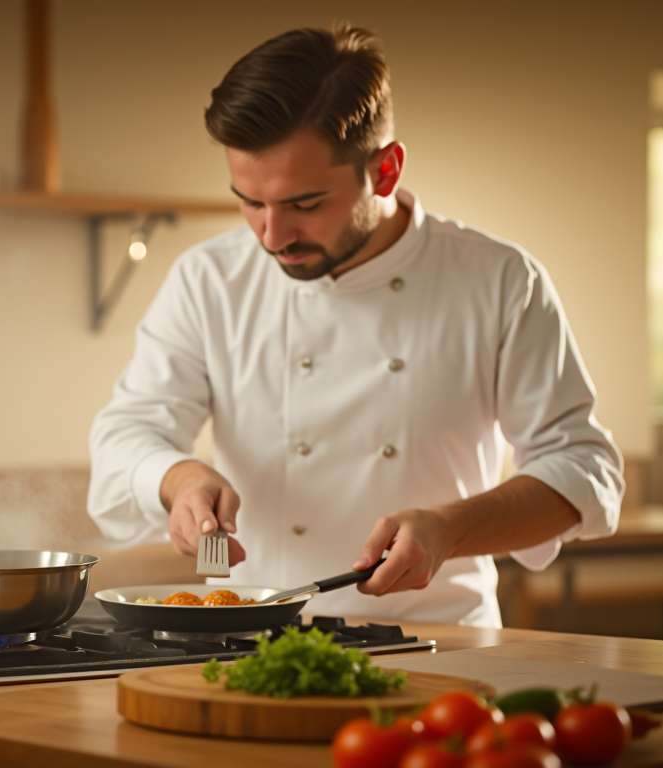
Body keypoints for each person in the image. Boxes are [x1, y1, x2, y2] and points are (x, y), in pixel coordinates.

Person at [86, 23, 624, 627]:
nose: (271, 235)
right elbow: (121, 442)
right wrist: (177, 479)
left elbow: (583, 468)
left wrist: (451, 529)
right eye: (250, 201)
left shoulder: (499, 279)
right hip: (255, 643)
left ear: (386, 171)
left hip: (442, 645)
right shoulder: (207, 278)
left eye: (305, 205)